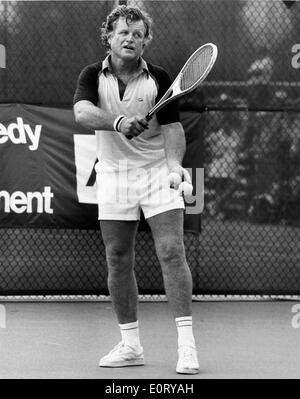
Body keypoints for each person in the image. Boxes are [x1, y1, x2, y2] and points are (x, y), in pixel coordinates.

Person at [73, 5, 199, 374]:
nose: (130, 39)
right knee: (117, 257)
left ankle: (187, 347)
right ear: (109, 37)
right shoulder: (92, 75)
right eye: (123, 33)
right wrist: (118, 121)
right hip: (113, 174)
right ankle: (130, 345)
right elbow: (81, 111)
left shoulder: (159, 77)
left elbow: (173, 131)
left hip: (157, 172)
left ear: (146, 41)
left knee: (172, 251)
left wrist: (175, 165)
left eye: (137, 34)